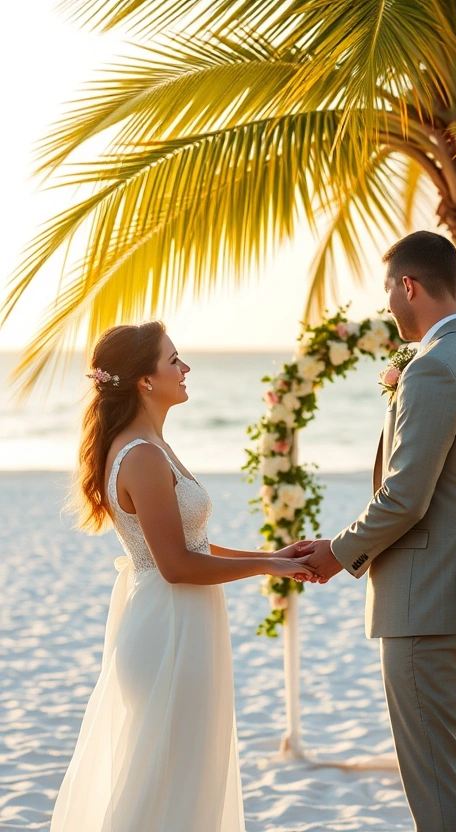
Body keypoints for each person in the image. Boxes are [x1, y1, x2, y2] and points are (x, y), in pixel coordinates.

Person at [293, 231, 456, 831]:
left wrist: (338, 551)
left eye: (389, 289)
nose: (388, 303)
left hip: (429, 600)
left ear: (409, 285)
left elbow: (404, 497)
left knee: (438, 785)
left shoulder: (433, 367)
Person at [51, 320, 315, 832]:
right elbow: (175, 565)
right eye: (174, 360)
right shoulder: (142, 455)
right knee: (166, 784)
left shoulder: (151, 445)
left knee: (184, 778)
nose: (185, 367)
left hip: (181, 621)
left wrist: (271, 554)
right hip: (169, 627)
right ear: (145, 380)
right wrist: (268, 566)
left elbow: (189, 544)